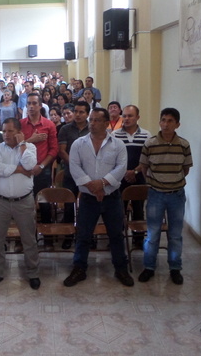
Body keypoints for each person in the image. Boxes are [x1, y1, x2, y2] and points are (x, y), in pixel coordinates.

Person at [63, 108, 134, 287]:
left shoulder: (118, 145)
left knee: (116, 235)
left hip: (112, 197)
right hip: (88, 198)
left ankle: (121, 268)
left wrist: (102, 184)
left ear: (106, 123)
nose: (92, 123)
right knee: (84, 235)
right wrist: (92, 186)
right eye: (91, 120)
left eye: (97, 120)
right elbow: (75, 167)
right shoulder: (79, 144)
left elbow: (120, 168)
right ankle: (79, 268)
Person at [138, 107, 193, 285]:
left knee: (175, 234)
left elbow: (185, 169)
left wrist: (172, 181)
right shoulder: (150, 143)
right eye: (163, 120)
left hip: (176, 195)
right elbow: (144, 167)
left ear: (177, 124)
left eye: (170, 121)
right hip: (156, 195)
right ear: (159, 122)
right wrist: (155, 182)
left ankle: (175, 268)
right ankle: (149, 267)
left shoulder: (183, 145)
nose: (166, 124)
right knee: (152, 234)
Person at [0, 118, 40, 290]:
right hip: (0, 201)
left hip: (24, 201)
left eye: (10, 131)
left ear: (19, 132)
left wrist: (22, 144)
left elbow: (30, 164)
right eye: (4, 131)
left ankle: (33, 273)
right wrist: (20, 169)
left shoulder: (29, 147)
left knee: (29, 239)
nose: (6, 135)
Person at [20, 93, 57, 245]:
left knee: (44, 203)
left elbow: (53, 150)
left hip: (42, 169)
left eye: (34, 103)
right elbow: (15, 147)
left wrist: (41, 166)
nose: (31, 106)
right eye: (29, 103)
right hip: (24, 171)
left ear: (41, 106)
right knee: (24, 206)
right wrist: (31, 140)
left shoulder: (49, 125)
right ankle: (26, 240)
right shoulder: (20, 124)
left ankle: (48, 239)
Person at [114, 105, 151, 248]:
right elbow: (112, 158)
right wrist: (124, 172)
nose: (126, 118)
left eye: (130, 116)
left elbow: (147, 158)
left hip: (139, 177)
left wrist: (134, 172)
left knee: (138, 209)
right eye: (124, 116)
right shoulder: (115, 135)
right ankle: (117, 238)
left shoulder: (146, 135)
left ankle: (138, 239)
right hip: (120, 178)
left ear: (138, 117)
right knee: (118, 210)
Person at [57, 101, 90, 249]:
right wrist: (75, 166)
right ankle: (68, 236)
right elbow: (62, 151)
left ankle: (87, 236)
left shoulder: (92, 128)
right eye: (76, 111)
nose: (78, 114)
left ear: (87, 114)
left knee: (87, 206)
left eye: (81, 112)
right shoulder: (65, 129)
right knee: (69, 205)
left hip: (89, 173)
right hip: (70, 173)